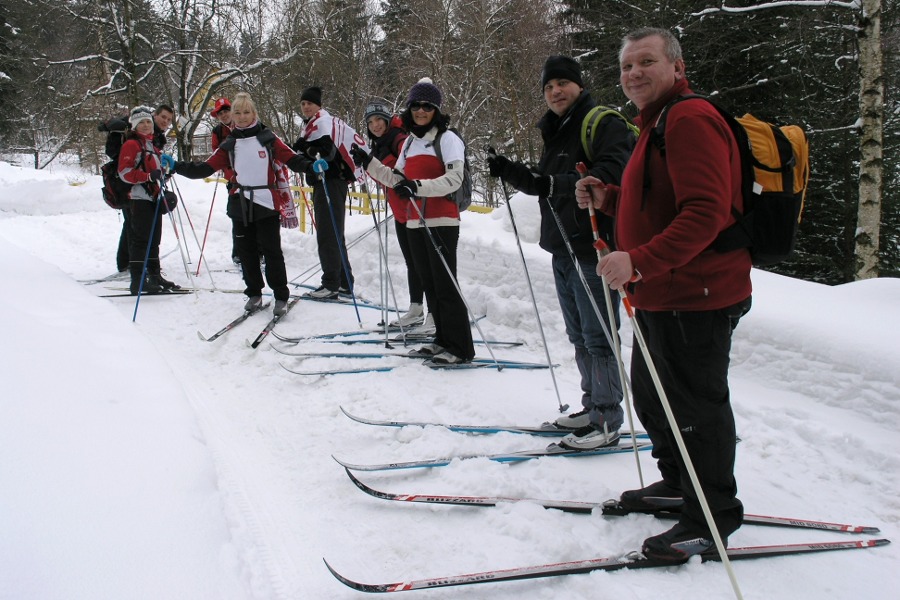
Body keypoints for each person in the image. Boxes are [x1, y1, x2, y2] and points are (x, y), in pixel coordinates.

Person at [575, 27, 752, 562]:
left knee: (695, 407)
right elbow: (656, 199)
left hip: (694, 293)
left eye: (646, 62)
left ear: (676, 67)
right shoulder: (655, 124)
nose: (633, 74)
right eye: (627, 66)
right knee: (656, 400)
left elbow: (705, 213)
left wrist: (639, 260)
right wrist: (608, 198)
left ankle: (713, 516)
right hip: (660, 292)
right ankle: (678, 483)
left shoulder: (690, 118)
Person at [486, 56, 635, 450]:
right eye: (549, 86)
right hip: (562, 248)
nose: (555, 92)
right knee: (580, 335)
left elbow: (612, 175)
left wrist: (553, 182)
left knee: (599, 335)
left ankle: (607, 418)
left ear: (579, 86)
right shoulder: (558, 131)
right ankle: (593, 407)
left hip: (594, 247)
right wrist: (511, 170)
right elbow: (546, 185)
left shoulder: (603, 123)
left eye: (563, 84)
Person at [351, 78, 475, 365]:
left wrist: (416, 187)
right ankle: (441, 340)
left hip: (442, 219)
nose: (421, 111)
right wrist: (369, 162)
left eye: (427, 106)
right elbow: (397, 179)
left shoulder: (448, 139)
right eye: (416, 106)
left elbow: (453, 179)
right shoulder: (409, 143)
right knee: (430, 284)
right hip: (415, 221)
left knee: (445, 284)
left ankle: (460, 348)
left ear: (436, 109)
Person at [170, 92, 309, 316]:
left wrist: (312, 166)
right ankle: (254, 293)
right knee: (246, 252)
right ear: (232, 116)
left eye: (246, 112)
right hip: (240, 203)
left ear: (253, 113)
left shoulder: (267, 137)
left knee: (272, 252)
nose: (242, 117)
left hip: (266, 202)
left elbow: (291, 158)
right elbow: (204, 169)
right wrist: (176, 166)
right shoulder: (230, 144)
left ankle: (281, 295)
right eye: (237, 113)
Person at [363, 100, 429, 329]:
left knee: (423, 263)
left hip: (415, 210)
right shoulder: (380, 144)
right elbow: (384, 178)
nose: (375, 125)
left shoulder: (399, 139)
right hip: (400, 212)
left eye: (379, 120)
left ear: (387, 119)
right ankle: (416, 309)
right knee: (412, 262)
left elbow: (404, 174)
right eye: (370, 122)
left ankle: (434, 314)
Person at [292, 86, 356, 299]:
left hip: (330, 181)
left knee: (328, 233)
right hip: (328, 182)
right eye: (303, 104)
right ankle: (345, 282)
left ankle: (331, 284)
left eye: (309, 103)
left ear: (318, 105)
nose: (306, 107)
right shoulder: (315, 124)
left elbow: (327, 153)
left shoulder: (322, 124)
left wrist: (306, 149)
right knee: (334, 233)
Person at [118, 106, 181, 295]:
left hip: (153, 197)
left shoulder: (151, 144)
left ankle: (155, 275)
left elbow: (154, 172)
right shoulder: (132, 144)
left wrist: (164, 174)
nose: (146, 125)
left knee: (154, 239)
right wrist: (147, 177)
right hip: (139, 198)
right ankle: (138, 281)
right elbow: (124, 172)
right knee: (141, 241)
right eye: (141, 123)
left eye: (147, 122)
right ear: (135, 126)